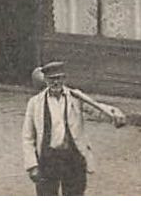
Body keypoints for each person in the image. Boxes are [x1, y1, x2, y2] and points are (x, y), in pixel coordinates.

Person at [22, 59, 123, 195]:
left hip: (73, 158)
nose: (56, 82)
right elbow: (27, 137)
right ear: (45, 80)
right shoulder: (35, 103)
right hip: (48, 160)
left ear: (64, 78)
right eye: (52, 79)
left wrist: (114, 114)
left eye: (59, 78)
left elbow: (97, 109)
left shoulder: (76, 98)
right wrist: (32, 166)